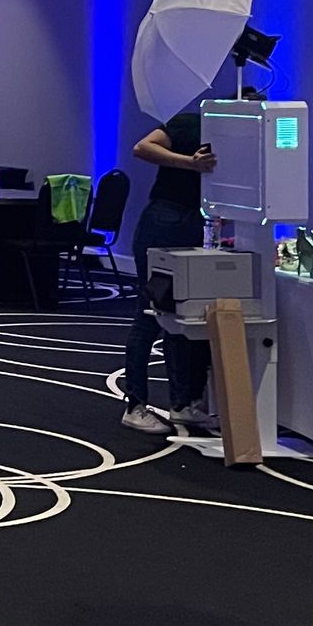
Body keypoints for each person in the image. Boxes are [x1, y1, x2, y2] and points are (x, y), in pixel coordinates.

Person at [121, 105, 217, 435]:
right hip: (164, 217)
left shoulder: (233, 142)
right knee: (149, 313)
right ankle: (135, 405)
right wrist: (190, 163)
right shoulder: (189, 123)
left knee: (182, 315)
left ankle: (183, 404)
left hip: (192, 220)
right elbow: (142, 147)